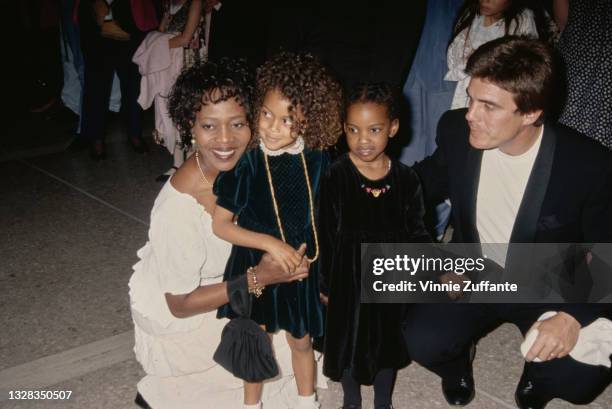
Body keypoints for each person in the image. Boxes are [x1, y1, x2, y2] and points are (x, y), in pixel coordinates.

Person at [405, 36, 612, 409]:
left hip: (549, 283)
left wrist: (571, 316)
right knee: (422, 340)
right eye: (471, 98)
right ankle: (458, 367)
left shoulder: (588, 165)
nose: (470, 114)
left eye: (488, 106)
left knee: (580, 380)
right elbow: (415, 188)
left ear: (531, 113)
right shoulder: (456, 131)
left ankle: (537, 377)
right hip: (471, 270)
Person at [129, 59, 317, 409]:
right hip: (193, 304)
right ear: (191, 126)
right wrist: (260, 276)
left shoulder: (260, 161)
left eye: (237, 124)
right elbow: (179, 304)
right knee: (263, 362)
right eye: (209, 126)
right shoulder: (178, 208)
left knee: (305, 338)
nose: (226, 139)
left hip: (243, 284)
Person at [212, 52, 343, 409]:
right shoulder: (249, 162)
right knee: (256, 337)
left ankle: (306, 401)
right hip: (256, 262)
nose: (271, 127)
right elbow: (221, 224)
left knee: (300, 340)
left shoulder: (317, 158)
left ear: (308, 121)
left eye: (287, 120)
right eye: (266, 114)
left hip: (300, 266)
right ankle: (251, 405)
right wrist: (270, 243)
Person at [318, 83, 431, 409]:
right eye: (353, 130)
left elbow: (418, 232)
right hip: (348, 275)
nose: (362, 139)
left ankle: (384, 401)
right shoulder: (336, 175)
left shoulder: (407, 180)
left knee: (386, 342)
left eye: (374, 129)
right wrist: (325, 282)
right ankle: (351, 400)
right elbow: (325, 233)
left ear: (393, 128)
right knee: (348, 343)